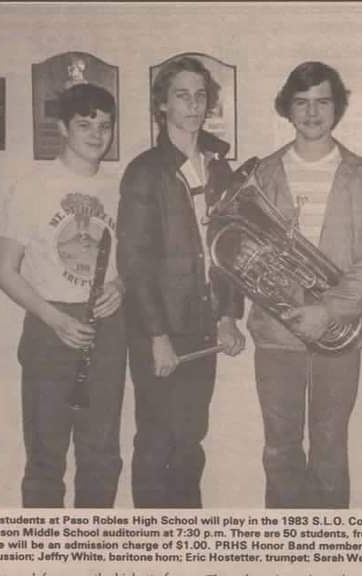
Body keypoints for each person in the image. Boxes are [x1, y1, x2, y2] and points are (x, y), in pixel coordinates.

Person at [248, 61, 362, 508]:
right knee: (279, 450)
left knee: (330, 450)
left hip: (339, 331)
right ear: (288, 108)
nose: (312, 112)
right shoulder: (261, 175)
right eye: (302, 102)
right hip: (276, 333)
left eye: (323, 102)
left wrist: (327, 310)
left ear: (338, 107)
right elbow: (237, 252)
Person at [116, 56, 245, 508]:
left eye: (200, 95)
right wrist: (156, 336)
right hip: (160, 330)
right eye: (181, 95)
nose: (193, 105)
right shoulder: (145, 171)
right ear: (162, 105)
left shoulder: (219, 170)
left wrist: (229, 315)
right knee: (156, 441)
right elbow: (133, 260)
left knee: (190, 442)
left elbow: (230, 250)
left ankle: (185, 545)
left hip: (204, 325)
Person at [0, 83, 125, 507]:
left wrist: (120, 287)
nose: (96, 133)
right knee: (46, 458)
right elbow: (3, 270)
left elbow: (134, 263)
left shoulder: (120, 186)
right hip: (50, 327)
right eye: (85, 123)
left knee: (101, 455)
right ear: (64, 127)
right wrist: (55, 319)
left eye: (104, 125)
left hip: (106, 327)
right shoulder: (32, 185)